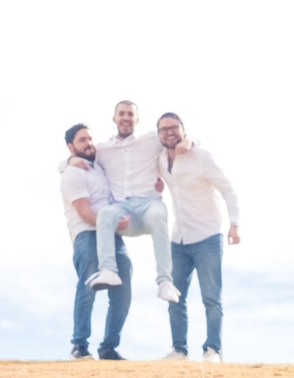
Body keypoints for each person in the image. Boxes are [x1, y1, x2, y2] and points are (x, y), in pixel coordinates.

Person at [154, 111, 238, 363]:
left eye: (174, 127)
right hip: (178, 238)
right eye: (164, 129)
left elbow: (228, 189)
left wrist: (234, 224)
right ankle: (179, 350)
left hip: (207, 235)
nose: (169, 132)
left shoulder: (200, 156)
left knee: (211, 297)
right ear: (158, 134)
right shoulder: (159, 159)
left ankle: (212, 350)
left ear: (183, 129)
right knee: (174, 296)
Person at [91, 101, 180, 305]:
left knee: (158, 215)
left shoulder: (151, 140)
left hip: (149, 204)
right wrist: (67, 163)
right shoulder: (103, 150)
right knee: (105, 213)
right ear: (114, 118)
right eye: (121, 113)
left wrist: (189, 143)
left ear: (136, 119)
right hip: (122, 210)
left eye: (130, 114)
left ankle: (165, 281)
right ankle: (108, 270)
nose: (126, 117)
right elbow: (81, 158)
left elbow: (175, 137)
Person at [61, 124, 136, 360]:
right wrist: (67, 163)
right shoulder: (73, 173)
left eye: (90, 138)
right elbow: (83, 211)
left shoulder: (99, 167)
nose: (88, 143)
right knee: (88, 287)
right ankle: (80, 346)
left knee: (123, 288)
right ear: (70, 146)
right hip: (87, 235)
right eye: (82, 140)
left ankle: (109, 348)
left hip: (113, 237)